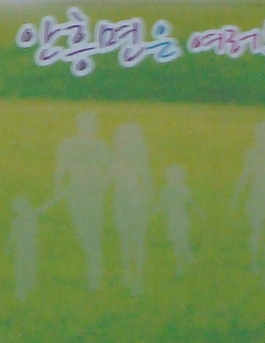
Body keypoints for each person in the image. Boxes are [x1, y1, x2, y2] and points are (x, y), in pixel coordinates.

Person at [53, 111, 110, 290]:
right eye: (85, 124)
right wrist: (58, 189)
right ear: (79, 125)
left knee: (94, 232)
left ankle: (95, 272)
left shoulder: (101, 146)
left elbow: (108, 170)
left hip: (94, 194)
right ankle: (92, 263)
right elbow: (61, 169)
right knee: (81, 230)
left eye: (92, 124)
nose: (90, 127)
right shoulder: (68, 145)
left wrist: (103, 185)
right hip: (75, 193)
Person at [230, 120, 265, 288]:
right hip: (256, 196)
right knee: (256, 232)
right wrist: (236, 196)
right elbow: (245, 176)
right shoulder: (251, 154)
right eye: (263, 134)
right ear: (257, 136)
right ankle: (255, 262)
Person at [110, 122, 153, 295]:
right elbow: (110, 178)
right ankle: (129, 275)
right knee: (125, 239)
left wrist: (149, 199)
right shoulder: (114, 156)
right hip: (121, 200)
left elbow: (147, 179)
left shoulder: (140, 157)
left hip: (136, 200)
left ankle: (137, 278)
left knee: (136, 240)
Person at [158, 165, 195, 275]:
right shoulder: (166, 191)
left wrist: (200, 212)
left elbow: (191, 203)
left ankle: (182, 263)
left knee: (181, 240)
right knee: (177, 241)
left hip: (180, 219)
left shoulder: (184, 190)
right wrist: (156, 210)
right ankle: (185, 259)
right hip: (173, 220)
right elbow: (163, 205)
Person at [8, 196, 41, 301]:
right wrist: (8, 246)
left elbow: (12, 235)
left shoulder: (30, 217)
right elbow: (12, 235)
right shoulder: (19, 220)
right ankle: (22, 293)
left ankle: (28, 289)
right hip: (22, 249)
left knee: (29, 268)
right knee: (22, 269)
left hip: (28, 248)